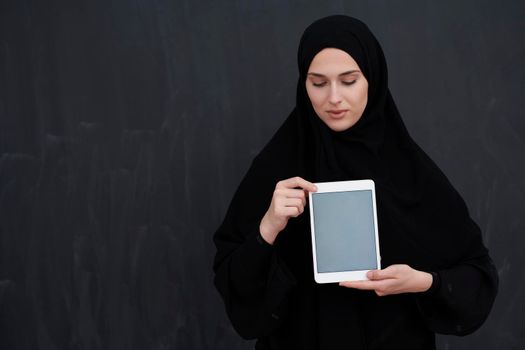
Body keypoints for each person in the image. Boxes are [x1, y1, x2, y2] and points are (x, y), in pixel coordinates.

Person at [213, 15, 498, 349]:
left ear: (372, 81)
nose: (333, 98)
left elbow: (477, 278)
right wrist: (269, 227)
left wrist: (421, 281)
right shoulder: (278, 168)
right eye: (318, 83)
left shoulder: (411, 173)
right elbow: (234, 282)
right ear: (303, 85)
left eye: (348, 81)